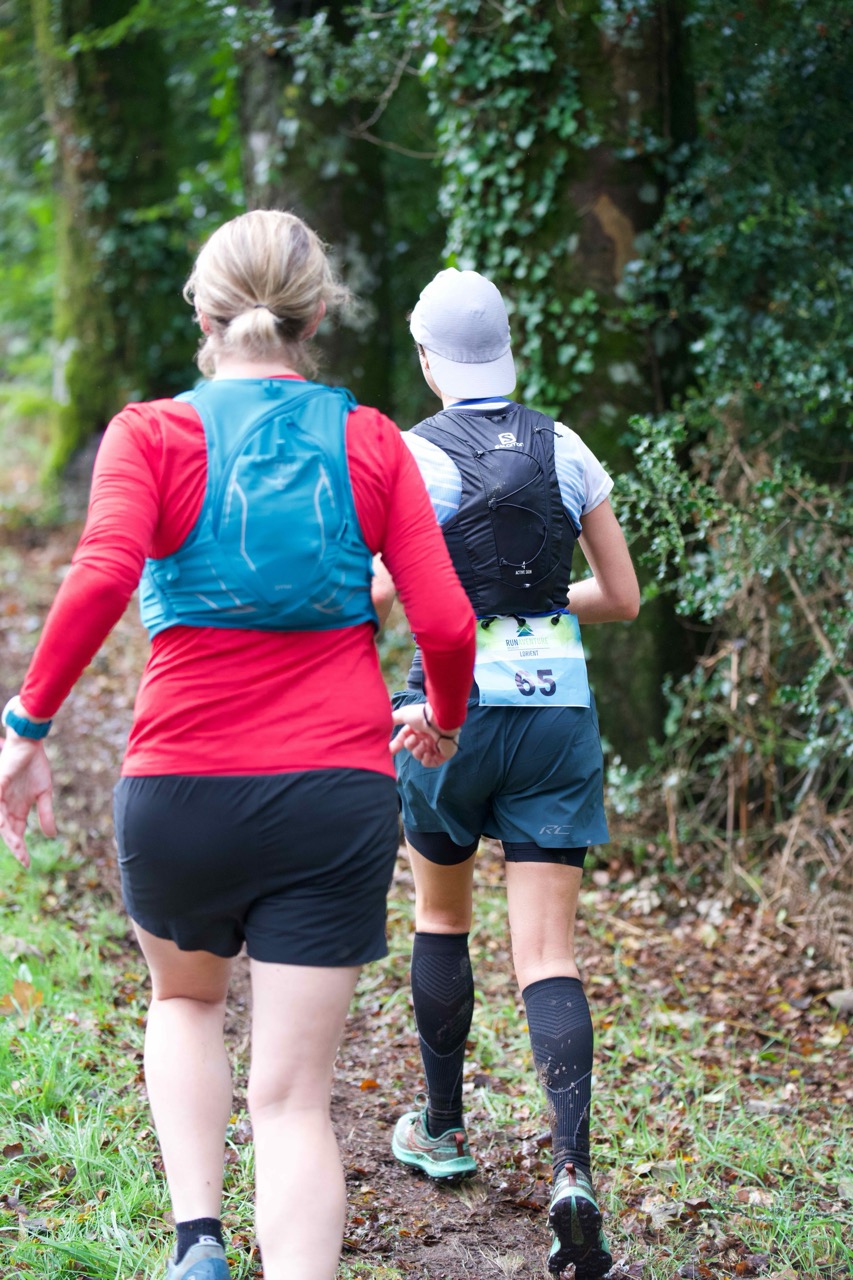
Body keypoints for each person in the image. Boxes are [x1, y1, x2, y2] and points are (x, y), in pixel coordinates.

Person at [0, 212, 476, 1280]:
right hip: (334, 794)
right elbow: (447, 625)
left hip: (182, 789)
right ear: (318, 313)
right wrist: (441, 717)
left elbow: (101, 576)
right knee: (294, 1099)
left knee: (185, 999)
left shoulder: (149, 434)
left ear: (203, 312)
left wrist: (25, 726)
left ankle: (199, 1243)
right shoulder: (371, 441)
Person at [378, 268, 640, 1280]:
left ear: (428, 358)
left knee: (441, 915)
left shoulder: (412, 456)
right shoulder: (565, 446)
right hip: (557, 713)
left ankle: (443, 1127)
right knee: (547, 952)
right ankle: (572, 1172)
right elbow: (620, 594)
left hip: (450, 715)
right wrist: (538, 608)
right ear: (510, 348)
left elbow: (378, 594)